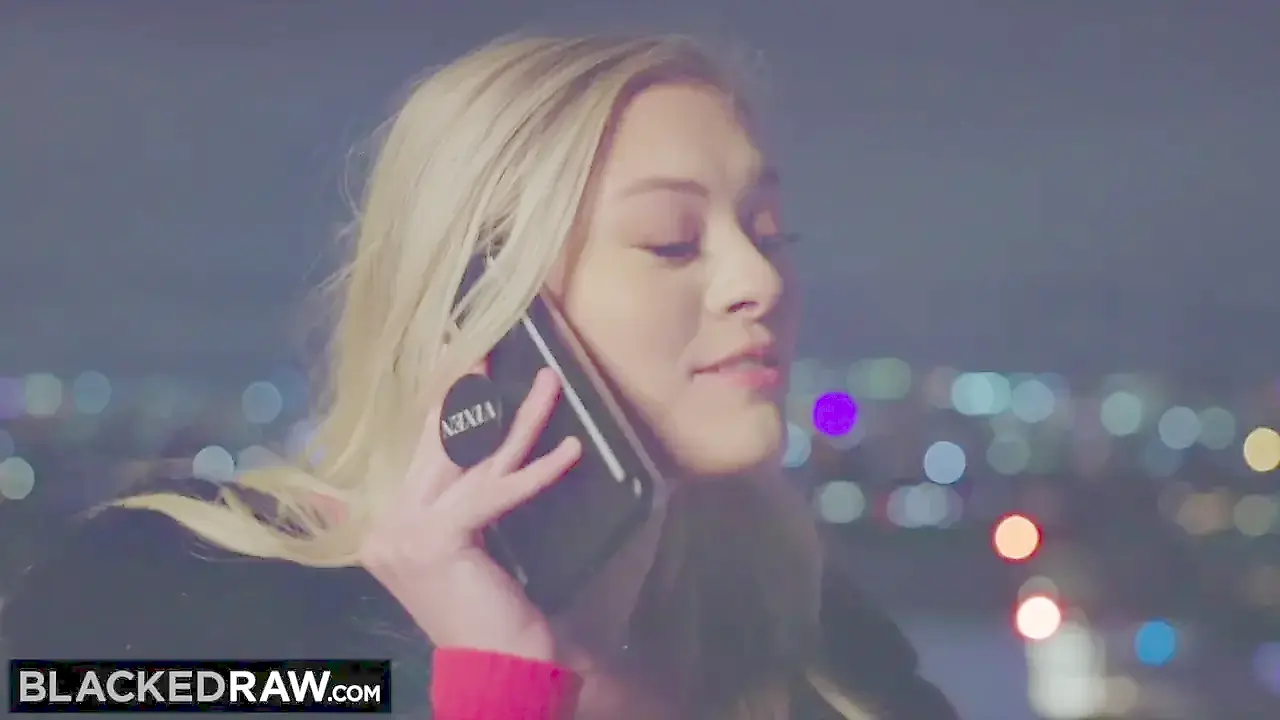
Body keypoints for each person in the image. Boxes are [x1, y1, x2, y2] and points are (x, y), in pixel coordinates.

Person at [3, 34, 960, 719]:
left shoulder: (815, 638)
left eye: (769, 232)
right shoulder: (168, 604)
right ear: (479, 303)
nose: (761, 281)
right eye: (671, 242)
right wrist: (501, 686)